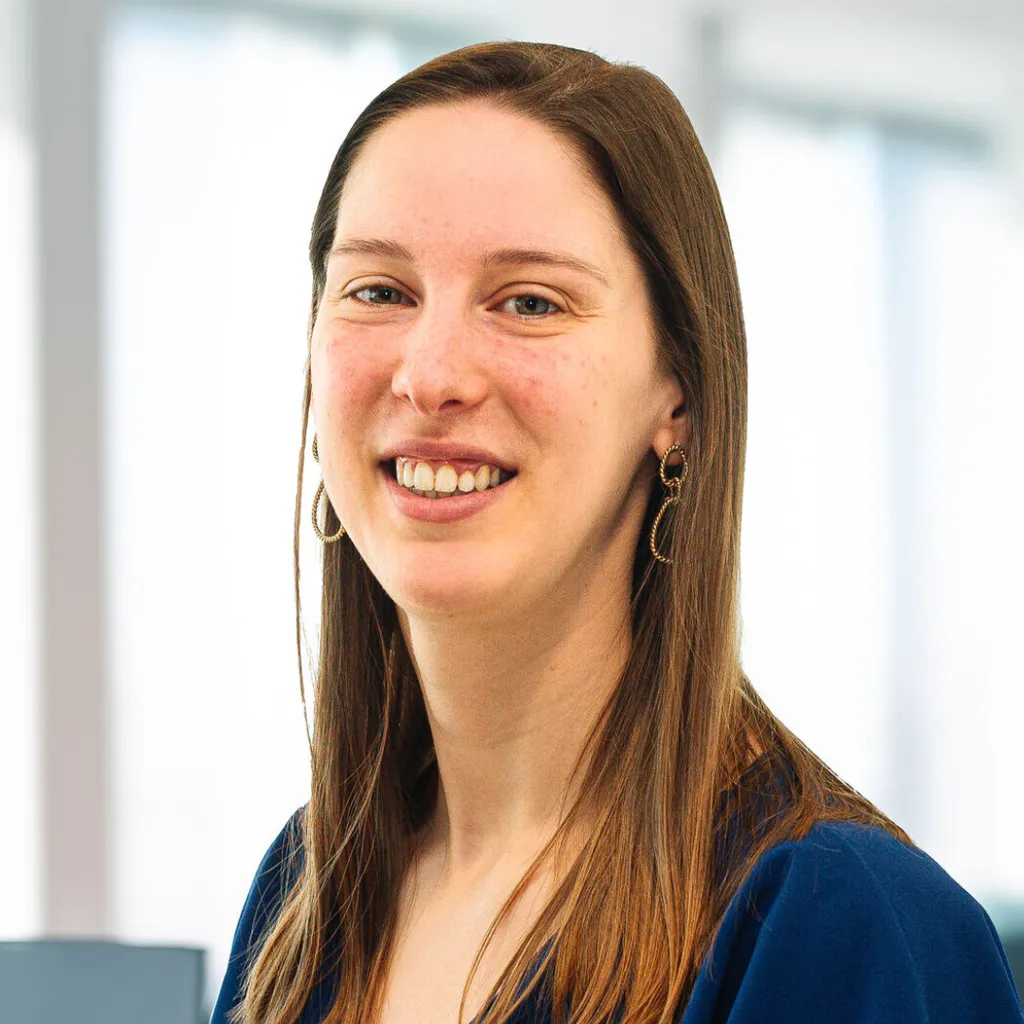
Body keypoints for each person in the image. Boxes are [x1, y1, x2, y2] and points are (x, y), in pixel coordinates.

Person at [210, 40, 1024, 1024]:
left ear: (675, 395)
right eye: (378, 290)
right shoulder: (306, 896)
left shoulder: (838, 924)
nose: (430, 375)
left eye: (529, 302)